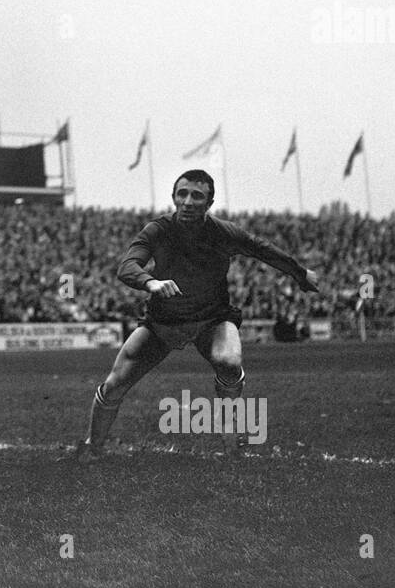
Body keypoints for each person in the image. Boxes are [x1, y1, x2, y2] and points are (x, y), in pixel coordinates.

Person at [67, 170, 319, 460]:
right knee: (114, 385)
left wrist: (300, 273)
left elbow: (263, 250)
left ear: (209, 203)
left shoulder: (224, 233)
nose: (188, 201)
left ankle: (233, 448)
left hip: (212, 320)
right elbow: (127, 266)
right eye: (182, 194)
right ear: (174, 198)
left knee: (229, 362)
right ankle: (93, 448)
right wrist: (151, 282)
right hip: (162, 324)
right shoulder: (158, 230)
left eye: (197, 196)